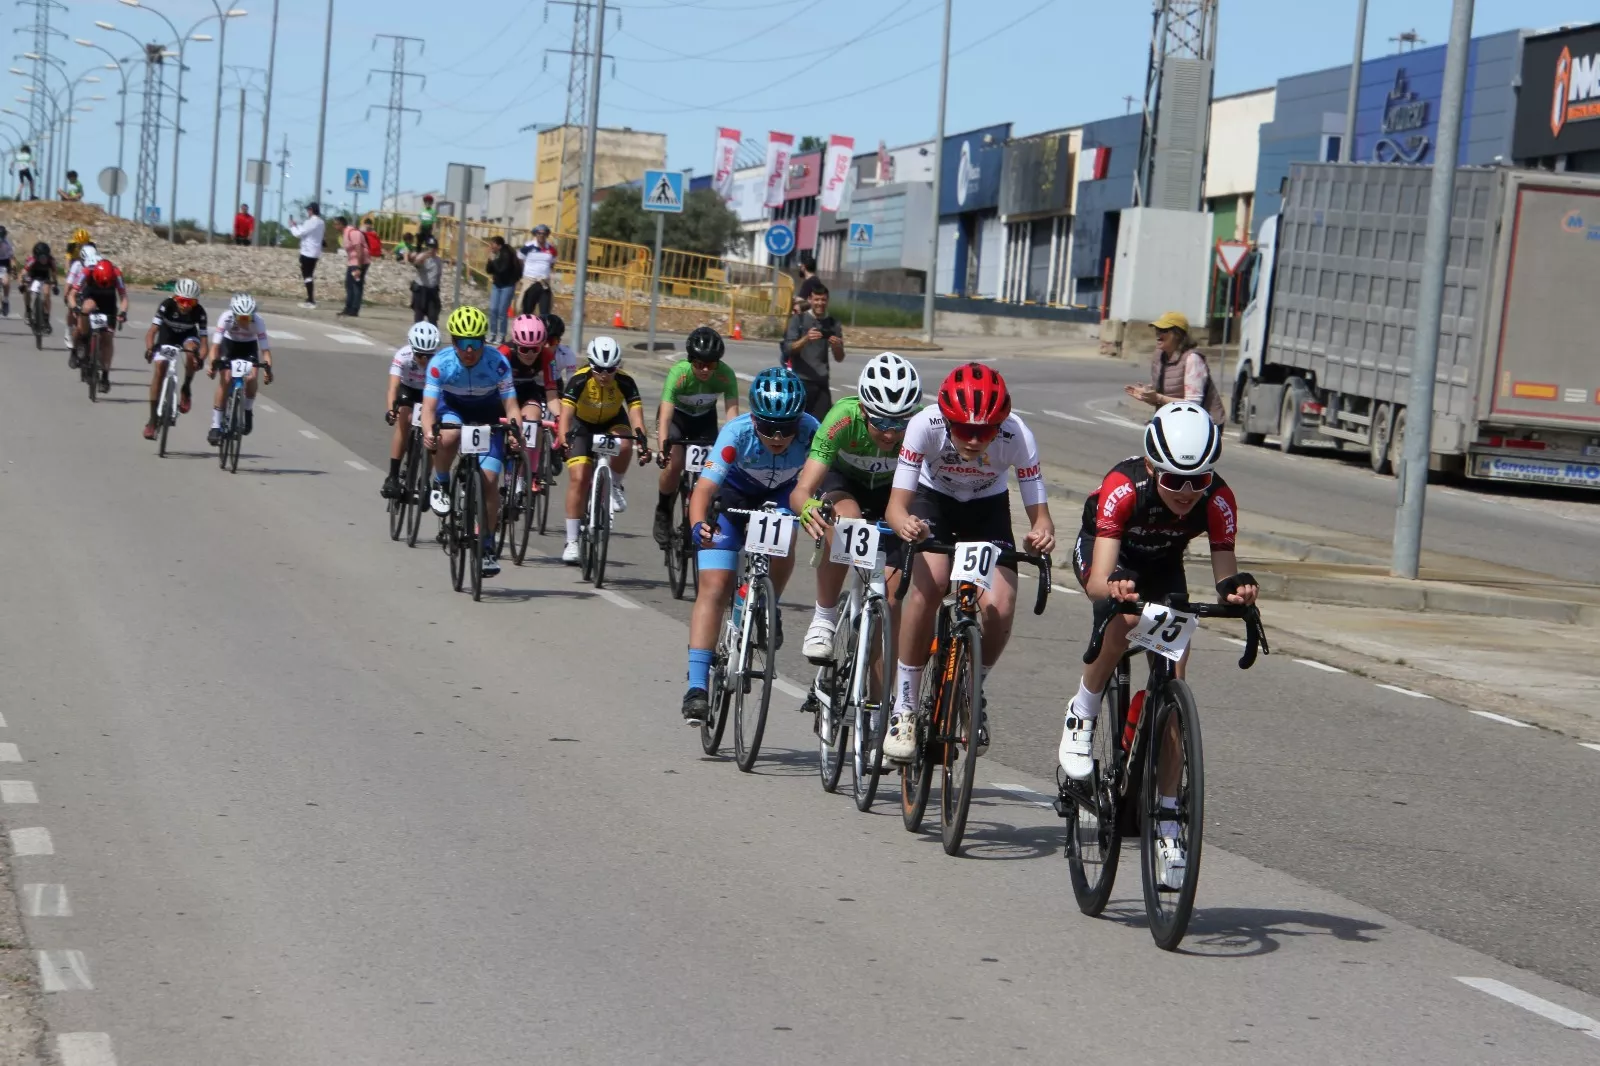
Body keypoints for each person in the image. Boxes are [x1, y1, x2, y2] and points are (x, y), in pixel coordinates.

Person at [1060, 402, 1257, 889]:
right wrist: (1115, 587)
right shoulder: (1122, 487)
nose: (1188, 492)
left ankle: (1168, 818)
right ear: (1152, 468)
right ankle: (1082, 712)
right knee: (1125, 617)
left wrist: (1236, 591)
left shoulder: (1218, 499)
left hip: (1163, 564)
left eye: (1198, 480)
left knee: (1174, 673)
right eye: (1175, 481)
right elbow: (1099, 580)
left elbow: (1223, 573)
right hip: (1111, 553)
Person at [881, 362, 1056, 761]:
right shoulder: (924, 425)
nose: (975, 440)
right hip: (933, 501)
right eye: (964, 430)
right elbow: (895, 507)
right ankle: (904, 707)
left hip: (986, 509)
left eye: (986, 431)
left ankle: (971, 688)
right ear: (946, 418)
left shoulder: (1018, 434)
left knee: (1001, 603)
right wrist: (905, 524)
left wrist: (1042, 532)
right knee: (930, 585)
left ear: (1002, 423)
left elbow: (1041, 516)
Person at [679, 367, 818, 725]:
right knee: (715, 585)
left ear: (798, 422)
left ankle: (767, 602)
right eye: (768, 426)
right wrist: (697, 524)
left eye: (786, 428)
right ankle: (696, 687)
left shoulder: (811, 431)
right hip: (733, 501)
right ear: (754, 418)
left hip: (781, 497)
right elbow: (705, 490)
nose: (776, 435)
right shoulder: (736, 432)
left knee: (785, 537)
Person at [792, 353, 922, 662]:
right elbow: (802, 489)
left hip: (891, 492)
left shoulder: (919, 426)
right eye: (880, 421)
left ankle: (878, 705)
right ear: (863, 409)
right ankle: (823, 620)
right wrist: (808, 507)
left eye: (899, 422)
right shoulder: (842, 417)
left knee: (890, 602)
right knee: (846, 520)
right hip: (845, 485)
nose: (890, 433)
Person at [419, 305, 524, 580]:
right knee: (449, 434)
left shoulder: (497, 363)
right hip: (453, 409)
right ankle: (441, 482)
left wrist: (515, 430)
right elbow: (428, 408)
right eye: (463, 343)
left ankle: (487, 546)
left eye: (475, 342)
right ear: (453, 341)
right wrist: (429, 432)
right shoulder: (440, 364)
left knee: (489, 481)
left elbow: (512, 405)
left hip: (488, 414)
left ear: (483, 341)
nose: (469, 350)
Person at [556, 336, 650, 563]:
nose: (605, 375)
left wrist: (643, 440)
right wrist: (564, 439)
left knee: (625, 442)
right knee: (579, 478)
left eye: (611, 369)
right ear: (590, 364)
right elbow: (566, 416)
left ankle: (615, 484)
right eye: (599, 369)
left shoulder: (626, 381)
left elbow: (636, 414)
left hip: (612, 421)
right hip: (582, 424)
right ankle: (572, 541)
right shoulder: (579, 380)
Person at [652, 326, 740, 547]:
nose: (704, 370)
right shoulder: (679, 373)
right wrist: (663, 446)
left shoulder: (726, 374)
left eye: (710, 364)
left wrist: (734, 451)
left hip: (704, 420)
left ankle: (697, 515)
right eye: (699, 364)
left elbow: (732, 418)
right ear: (690, 360)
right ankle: (663, 510)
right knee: (675, 463)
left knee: (711, 472)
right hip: (677, 420)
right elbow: (665, 416)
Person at [1125, 311, 1225, 424]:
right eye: (1157, 330)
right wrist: (1147, 396)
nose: (1158, 334)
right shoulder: (1159, 357)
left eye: (1163, 330)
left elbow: (1192, 405)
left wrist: (1157, 398)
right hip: (1172, 420)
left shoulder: (1192, 359)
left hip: (1202, 425)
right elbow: (1162, 396)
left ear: (1177, 334)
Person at [141, 278, 209, 439]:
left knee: (192, 352)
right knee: (160, 368)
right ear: (175, 297)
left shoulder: (200, 312)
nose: (185, 306)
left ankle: (186, 388)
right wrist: (150, 348)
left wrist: (201, 358)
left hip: (188, 336)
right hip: (168, 336)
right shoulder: (167, 305)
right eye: (182, 301)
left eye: (190, 303)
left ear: (196, 302)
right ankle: (152, 419)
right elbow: (152, 332)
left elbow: (205, 343)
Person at [381, 321, 441, 499]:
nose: (424, 360)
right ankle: (392, 475)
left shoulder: (438, 360)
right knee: (404, 419)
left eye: (428, 356)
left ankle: (425, 479)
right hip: (407, 389)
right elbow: (393, 387)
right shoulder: (403, 356)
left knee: (431, 431)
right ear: (412, 348)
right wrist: (392, 410)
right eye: (420, 354)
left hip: (428, 392)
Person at [205, 293, 273, 443]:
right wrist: (213, 364)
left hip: (248, 348)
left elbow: (265, 351)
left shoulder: (258, 321)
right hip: (229, 346)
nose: (244, 321)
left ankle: (247, 410)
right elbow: (215, 346)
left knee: (251, 378)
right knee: (226, 379)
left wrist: (268, 369)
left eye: (247, 318)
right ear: (234, 314)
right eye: (241, 318)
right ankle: (216, 425)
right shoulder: (226, 317)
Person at [781, 284, 845, 421]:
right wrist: (806, 339)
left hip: (821, 383)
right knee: (795, 425)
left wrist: (837, 346)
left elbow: (839, 358)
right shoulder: (799, 320)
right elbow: (788, 348)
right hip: (800, 382)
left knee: (821, 427)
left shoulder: (833, 323)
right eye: (816, 299)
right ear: (810, 300)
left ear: (827, 301)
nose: (820, 303)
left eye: (823, 300)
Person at [76, 256, 128, 393]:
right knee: (86, 308)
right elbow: (73, 292)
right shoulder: (87, 271)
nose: (103, 285)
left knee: (108, 339)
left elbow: (123, 297)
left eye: (107, 283)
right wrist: (75, 306)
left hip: (108, 305)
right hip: (91, 298)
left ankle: (105, 375)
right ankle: (84, 338)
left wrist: (122, 312)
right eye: (100, 282)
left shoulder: (117, 274)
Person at [498, 314, 558, 430]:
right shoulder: (503, 353)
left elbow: (552, 394)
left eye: (535, 349)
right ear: (515, 345)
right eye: (524, 349)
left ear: (542, 345)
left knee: (532, 420)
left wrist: (559, 417)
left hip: (527, 392)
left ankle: (531, 448)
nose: (530, 354)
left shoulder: (548, 356)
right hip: (501, 394)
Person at [288, 202, 326, 309]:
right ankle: (310, 298)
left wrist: (292, 227)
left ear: (311, 210)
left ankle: (311, 300)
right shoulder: (321, 222)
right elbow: (306, 230)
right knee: (309, 275)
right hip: (315, 252)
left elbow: (299, 233)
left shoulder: (312, 222)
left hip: (307, 252)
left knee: (307, 275)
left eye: (308, 210)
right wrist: (297, 226)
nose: (307, 212)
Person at [486, 236, 521, 345]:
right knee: (493, 309)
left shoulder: (506, 254)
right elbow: (489, 270)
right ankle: (492, 333)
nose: (491, 247)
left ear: (498, 245)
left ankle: (501, 335)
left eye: (493, 244)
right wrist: (489, 261)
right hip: (497, 285)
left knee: (502, 311)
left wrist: (494, 261)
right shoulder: (496, 254)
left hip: (507, 286)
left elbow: (502, 270)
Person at [63, 243, 97, 354]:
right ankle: (69, 333)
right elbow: (69, 283)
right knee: (77, 321)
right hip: (78, 293)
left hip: (92, 295)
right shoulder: (77, 265)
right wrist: (66, 295)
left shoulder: (97, 264)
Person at [517, 224, 557, 318]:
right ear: (535, 234)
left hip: (543, 282)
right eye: (539, 233)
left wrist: (545, 272)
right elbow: (520, 259)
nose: (541, 236)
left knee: (545, 312)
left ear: (547, 235)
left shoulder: (551, 249)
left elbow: (552, 263)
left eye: (544, 234)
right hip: (531, 281)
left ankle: (543, 330)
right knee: (527, 310)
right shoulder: (528, 247)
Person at [20, 242, 60, 331]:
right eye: (41, 257)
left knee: (46, 294)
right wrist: (22, 283)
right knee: (27, 289)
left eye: (45, 257)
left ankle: (46, 320)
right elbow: (23, 272)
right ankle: (28, 310)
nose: (44, 259)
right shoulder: (32, 260)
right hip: (33, 275)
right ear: (36, 256)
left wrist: (55, 284)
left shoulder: (51, 261)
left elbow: (54, 273)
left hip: (45, 276)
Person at [337, 214, 370, 318]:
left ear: (341, 224)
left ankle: (354, 309)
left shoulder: (353, 233)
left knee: (356, 286)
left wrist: (359, 267)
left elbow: (359, 250)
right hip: (352, 262)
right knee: (349, 284)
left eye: (336, 224)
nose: (334, 227)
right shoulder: (345, 233)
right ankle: (348, 308)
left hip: (360, 262)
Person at [408, 236, 442, 325]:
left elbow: (438, 276)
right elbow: (416, 264)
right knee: (419, 317)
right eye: (430, 247)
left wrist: (437, 288)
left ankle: (434, 337)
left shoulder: (438, 260)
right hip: (421, 290)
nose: (432, 250)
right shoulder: (422, 257)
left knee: (433, 317)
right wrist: (423, 257)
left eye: (434, 247)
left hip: (432, 290)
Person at [0, 225, 13, 318]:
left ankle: (6, 300)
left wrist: (14, 268)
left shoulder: (7, 244)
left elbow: (12, 258)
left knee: (6, 283)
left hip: (4, 262)